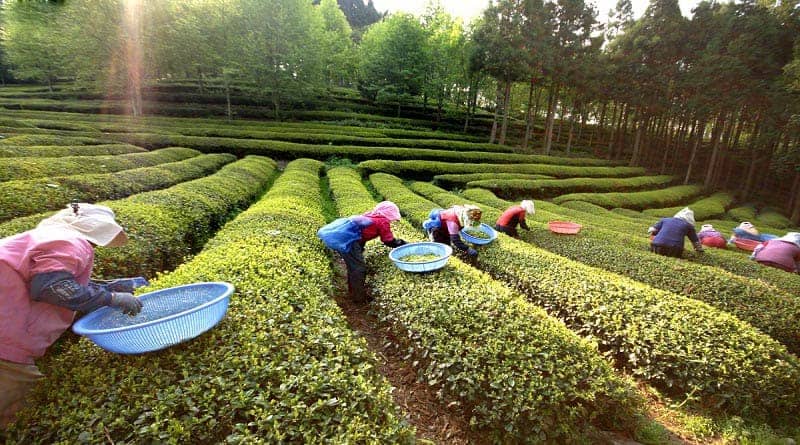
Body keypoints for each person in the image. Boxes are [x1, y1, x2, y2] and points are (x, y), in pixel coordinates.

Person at [1, 203, 146, 427]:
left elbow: (49, 278)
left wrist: (108, 288)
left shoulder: (48, 237)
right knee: (26, 406)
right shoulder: (72, 241)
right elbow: (52, 287)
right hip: (5, 343)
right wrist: (112, 299)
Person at [338, 201, 406, 305]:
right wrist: (401, 244)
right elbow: (388, 240)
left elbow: (362, 232)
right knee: (358, 269)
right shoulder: (383, 221)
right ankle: (359, 299)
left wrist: (360, 248)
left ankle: (354, 292)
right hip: (350, 241)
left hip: (347, 239)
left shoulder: (371, 215)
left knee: (353, 267)